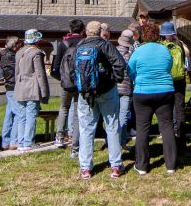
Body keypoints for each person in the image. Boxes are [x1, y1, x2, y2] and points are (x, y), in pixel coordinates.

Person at [75, 21, 128, 180]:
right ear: (100, 32)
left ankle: (85, 168)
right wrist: (115, 80)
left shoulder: (79, 46)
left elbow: (72, 68)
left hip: (85, 93)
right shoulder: (105, 45)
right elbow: (119, 63)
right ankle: (116, 165)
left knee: (86, 129)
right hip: (106, 91)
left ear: (86, 32)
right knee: (111, 126)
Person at [127, 21, 178, 175]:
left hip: (143, 91)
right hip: (165, 90)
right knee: (167, 126)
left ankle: (142, 165)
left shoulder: (139, 51)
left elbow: (130, 70)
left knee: (142, 128)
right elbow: (169, 67)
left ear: (143, 35)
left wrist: (139, 78)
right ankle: (171, 164)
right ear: (158, 35)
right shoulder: (165, 50)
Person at [50, 19, 85, 152]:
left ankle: (59, 137)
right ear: (82, 30)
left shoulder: (63, 44)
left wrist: (62, 79)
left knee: (64, 108)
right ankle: (75, 142)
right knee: (77, 112)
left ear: (70, 30)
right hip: (80, 83)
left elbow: (56, 66)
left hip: (66, 83)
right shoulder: (84, 43)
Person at [14, 29, 49, 151]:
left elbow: (16, 73)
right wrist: (44, 92)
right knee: (31, 115)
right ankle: (29, 142)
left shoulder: (19, 52)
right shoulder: (36, 53)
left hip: (19, 87)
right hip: (32, 88)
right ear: (37, 39)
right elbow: (40, 74)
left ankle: (21, 142)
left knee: (21, 116)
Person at [159, 21, 190, 148]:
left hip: (166, 79)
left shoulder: (161, 46)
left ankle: (169, 134)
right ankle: (181, 135)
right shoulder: (180, 45)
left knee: (167, 107)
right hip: (179, 80)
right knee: (179, 107)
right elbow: (185, 60)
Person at [0, 36, 23, 151]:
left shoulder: (3, 54)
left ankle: (5, 141)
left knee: (9, 114)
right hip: (13, 85)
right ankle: (14, 141)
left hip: (8, 86)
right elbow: (16, 70)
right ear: (14, 45)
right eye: (18, 44)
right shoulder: (11, 56)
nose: (20, 46)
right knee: (19, 113)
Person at [115, 28, 137, 147]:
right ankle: (121, 141)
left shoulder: (113, 51)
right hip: (126, 88)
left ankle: (113, 140)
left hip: (113, 88)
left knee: (113, 116)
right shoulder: (131, 55)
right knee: (123, 115)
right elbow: (133, 71)